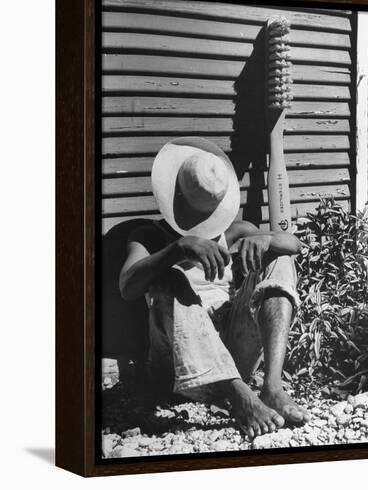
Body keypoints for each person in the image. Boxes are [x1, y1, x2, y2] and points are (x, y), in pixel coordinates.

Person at [119, 137, 310, 439]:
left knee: (281, 261)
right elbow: (128, 286)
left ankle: (272, 387)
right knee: (172, 279)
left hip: (232, 354)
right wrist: (177, 250)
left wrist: (266, 239)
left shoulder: (234, 233)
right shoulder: (148, 236)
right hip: (178, 366)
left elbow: (295, 245)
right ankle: (239, 398)